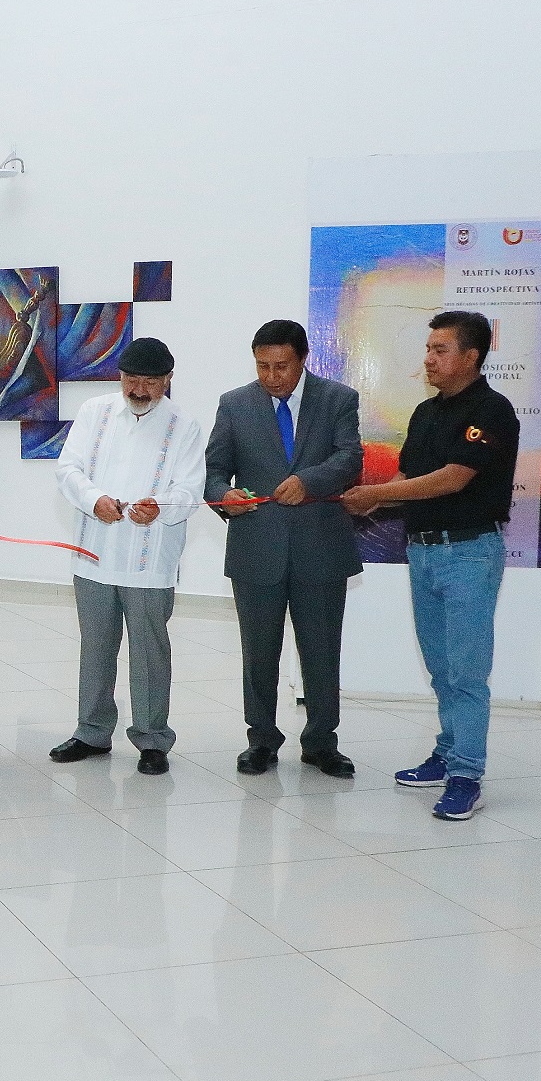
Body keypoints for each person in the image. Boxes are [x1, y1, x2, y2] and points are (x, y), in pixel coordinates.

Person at [341, 310, 519, 819]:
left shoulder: (492, 410)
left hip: (469, 553)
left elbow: (453, 478)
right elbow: (408, 477)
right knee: (441, 666)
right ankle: (447, 752)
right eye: (429, 349)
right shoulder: (425, 413)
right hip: (422, 552)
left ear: (471, 356)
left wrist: (376, 493)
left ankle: (466, 774)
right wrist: (372, 498)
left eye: (440, 350)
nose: (429, 359)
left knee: (467, 671)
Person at [205, 319, 364, 778]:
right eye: (263, 366)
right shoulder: (234, 404)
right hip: (256, 548)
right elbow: (214, 472)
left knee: (321, 651)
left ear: (303, 359)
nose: (272, 376)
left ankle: (321, 742)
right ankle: (261, 739)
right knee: (258, 652)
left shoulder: (338, 399)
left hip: (321, 547)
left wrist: (309, 480)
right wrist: (225, 496)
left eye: (282, 366)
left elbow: (349, 458)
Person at [47, 338, 206, 774]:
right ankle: (92, 732)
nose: (138, 390)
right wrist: (94, 499)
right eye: (130, 380)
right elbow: (68, 469)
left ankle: (152, 740)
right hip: (94, 552)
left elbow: (190, 491)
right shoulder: (94, 411)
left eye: (149, 382)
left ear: (168, 380)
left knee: (149, 652)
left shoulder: (185, 426)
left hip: (149, 560)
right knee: (96, 648)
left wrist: (160, 506)